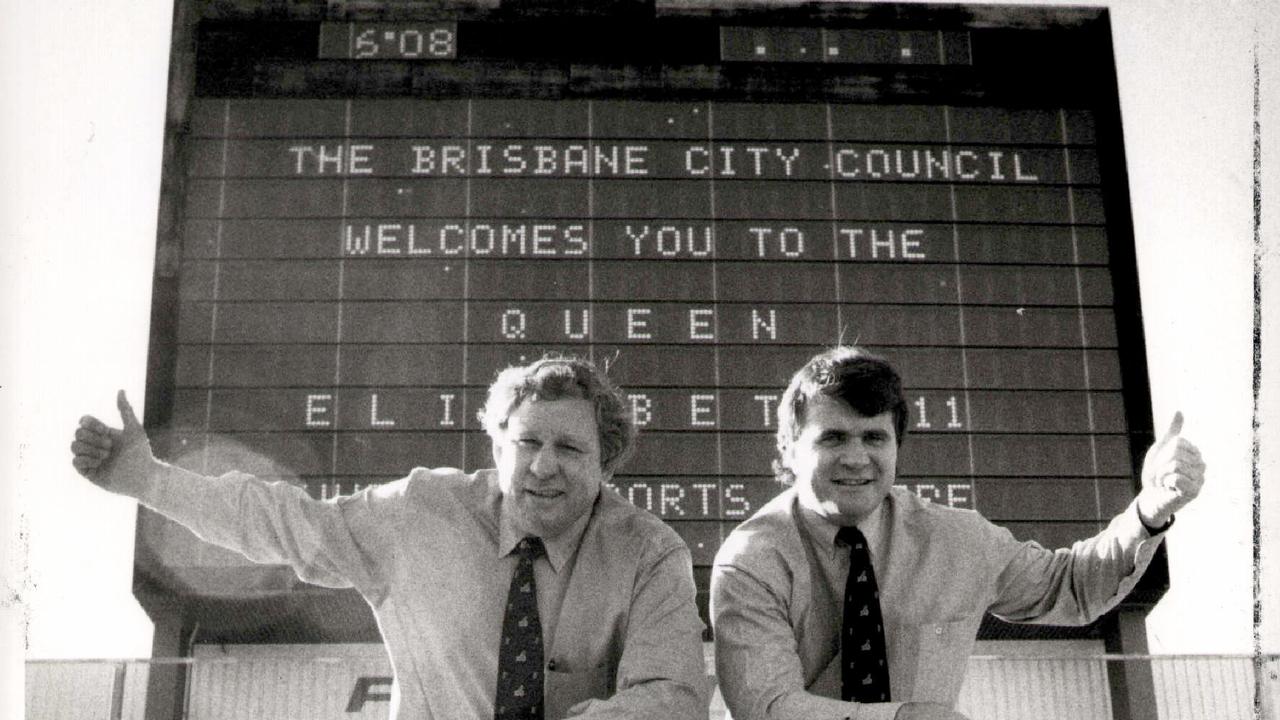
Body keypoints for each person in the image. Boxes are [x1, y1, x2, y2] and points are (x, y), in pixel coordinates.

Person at [71, 356, 708, 720]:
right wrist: (149, 481)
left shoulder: (650, 554)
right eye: (528, 443)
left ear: (607, 464)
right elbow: (281, 522)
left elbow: (671, 700)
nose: (543, 466)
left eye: (569, 447)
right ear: (496, 444)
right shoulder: (418, 512)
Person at [710, 346, 1207, 720]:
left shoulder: (959, 540)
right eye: (833, 438)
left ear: (897, 446)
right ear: (791, 447)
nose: (856, 458)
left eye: (874, 438)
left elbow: (1071, 587)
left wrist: (1148, 511)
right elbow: (767, 707)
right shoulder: (751, 560)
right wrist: (905, 718)